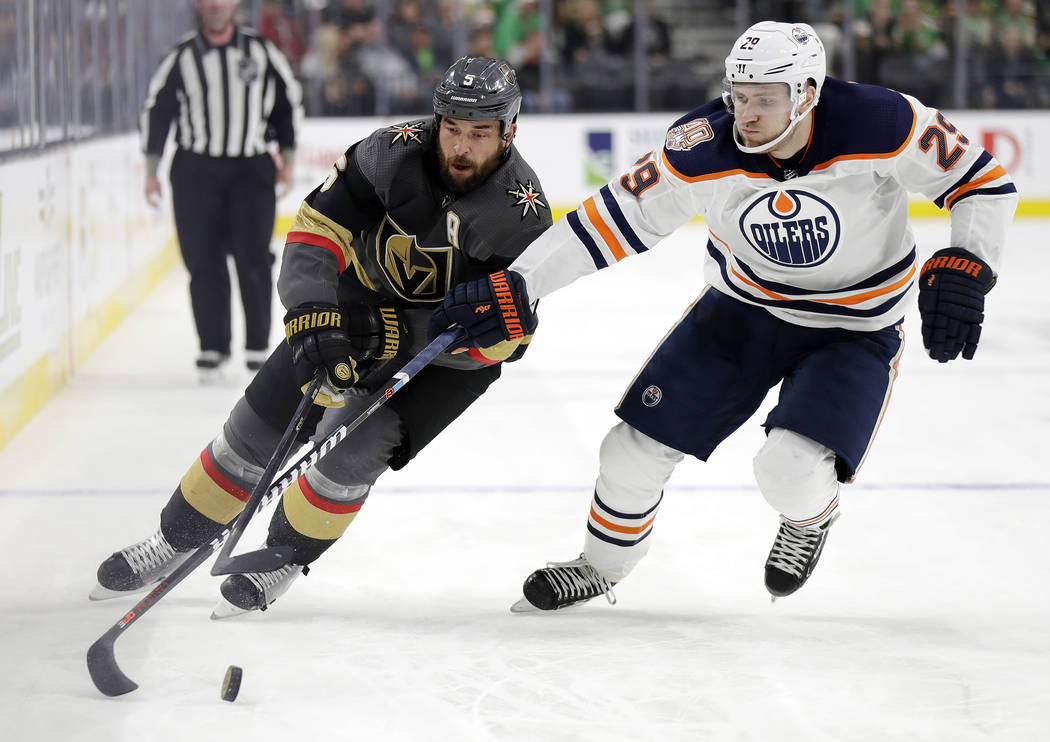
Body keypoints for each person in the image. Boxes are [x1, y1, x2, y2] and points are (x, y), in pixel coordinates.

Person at [430, 22, 1018, 611]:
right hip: (741, 313)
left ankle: (810, 519)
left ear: (808, 92)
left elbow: (983, 181)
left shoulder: (884, 121)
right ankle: (601, 566)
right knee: (629, 452)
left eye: (765, 98)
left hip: (853, 326)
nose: (748, 113)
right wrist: (521, 284)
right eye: (739, 96)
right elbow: (610, 220)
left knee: (788, 468)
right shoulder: (700, 145)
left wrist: (969, 260)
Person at [90, 57, 551, 617]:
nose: (460, 147)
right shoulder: (392, 153)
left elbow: (507, 338)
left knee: (351, 454)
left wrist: (406, 336)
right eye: (452, 128)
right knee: (253, 431)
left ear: (509, 131)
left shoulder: (521, 212)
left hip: (441, 360)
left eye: (479, 134)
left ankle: (284, 557)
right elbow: (315, 230)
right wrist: (313, 313)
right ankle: (173, 541)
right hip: (354, 313)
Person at [141, 0, 302, 377]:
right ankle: (212, 346)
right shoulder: (181, 57)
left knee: (254, 258)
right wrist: (151, 170)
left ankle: (256, 346)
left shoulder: (262, 52)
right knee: (203, 259)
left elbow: (287, 103)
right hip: (196, 169)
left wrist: (288, 159)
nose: (215, 5)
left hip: (251, 168)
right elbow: (157, 110)